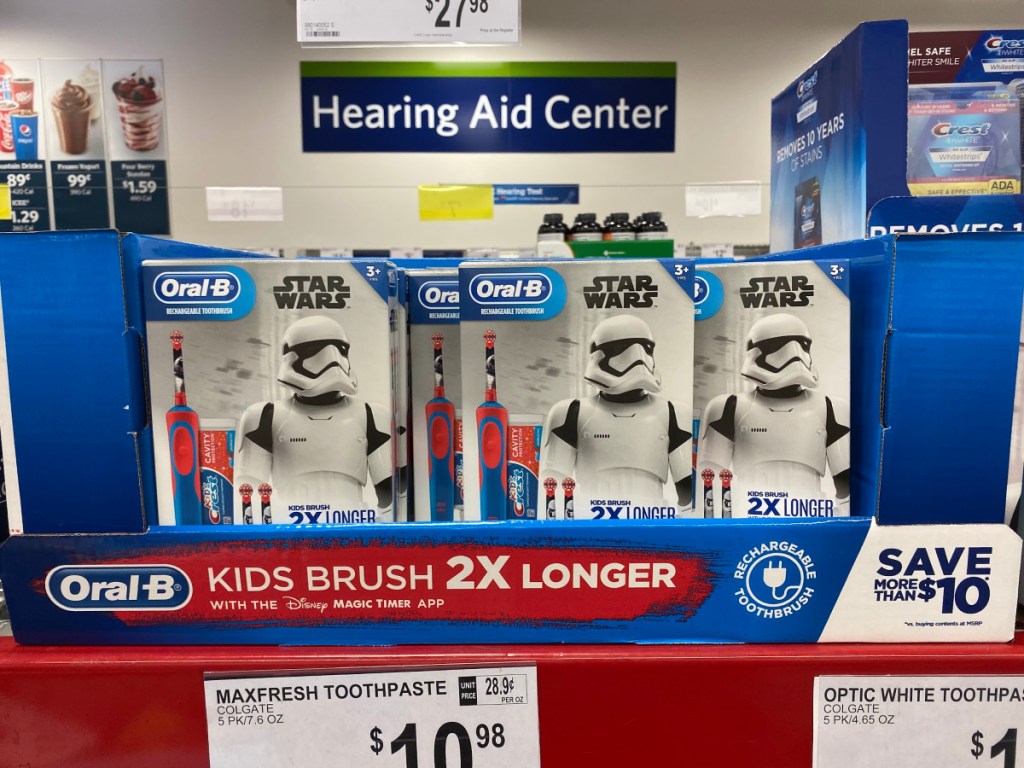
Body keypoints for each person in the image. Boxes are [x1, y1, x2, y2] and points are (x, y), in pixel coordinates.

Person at [234, 315, 392, 521]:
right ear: (290, 357)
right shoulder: (263, 417)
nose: (332, 358)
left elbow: (393, 497)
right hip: (290, 529)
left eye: (340, 349)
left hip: (350, 529)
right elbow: (248, 498)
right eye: (315, 348)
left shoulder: (372, 415)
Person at [698, 313, 850, 515]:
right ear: (754, 353)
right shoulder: (728, 407)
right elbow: (709, 483)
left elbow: (847, 489)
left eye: (803, 345)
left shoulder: (831, 408)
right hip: (749, 517)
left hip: (807, 516)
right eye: (778, 344)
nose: (795, 354)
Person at [540, 315, 692, 510]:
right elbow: (552, 493)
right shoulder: (570, 414)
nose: (638, 358)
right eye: (622, 347)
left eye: (646, 348)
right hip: (593, 521)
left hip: (648, 521)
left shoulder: (674, 413)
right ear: (598, 356)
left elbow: (690, 495)